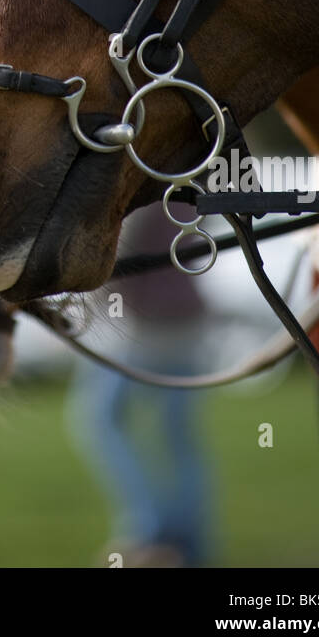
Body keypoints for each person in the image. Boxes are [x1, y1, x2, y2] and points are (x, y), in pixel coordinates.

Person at [66, 200, 214, 567]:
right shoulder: (186, 183)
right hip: (185, 318)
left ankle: (150, 531)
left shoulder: (142, 184)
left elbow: (112, 252)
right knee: (178, 435)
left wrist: (78, 309)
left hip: (144, 327)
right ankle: (186, 542)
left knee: (100, 419)